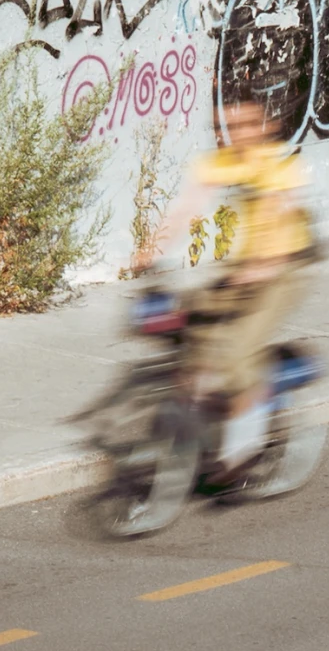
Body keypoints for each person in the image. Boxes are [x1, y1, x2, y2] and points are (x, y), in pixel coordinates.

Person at [131, 102, 316, 482]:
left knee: (236, 355)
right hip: (242, 270)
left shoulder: (283, 166)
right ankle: (196, 429)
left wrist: (264, 266)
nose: (235, 132)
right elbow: (188, 208)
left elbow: (280, 213)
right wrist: (151, 249)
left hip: (283, 268)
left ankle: (240, 455)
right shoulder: (221, 162)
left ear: (267, 125)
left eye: (246, 124)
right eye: (226, 125)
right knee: (189, 333)